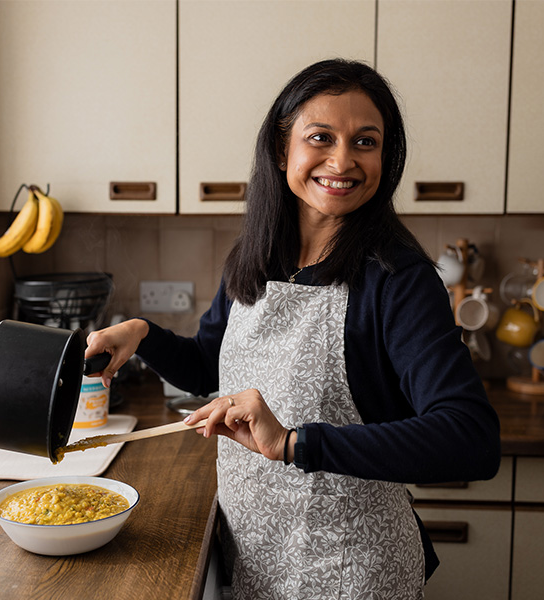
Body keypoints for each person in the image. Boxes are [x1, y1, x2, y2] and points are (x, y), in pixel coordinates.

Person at [85, 58, 501, 599]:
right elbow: (213, 363)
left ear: (386, 157)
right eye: (321, 137)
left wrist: (292, 444)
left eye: (366, 142)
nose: (343, 160)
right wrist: (143, 334)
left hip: (353, 573)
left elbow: (471, 437)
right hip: (259, 558)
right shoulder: (256, 256)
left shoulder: (398, 279)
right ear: (283, 150)